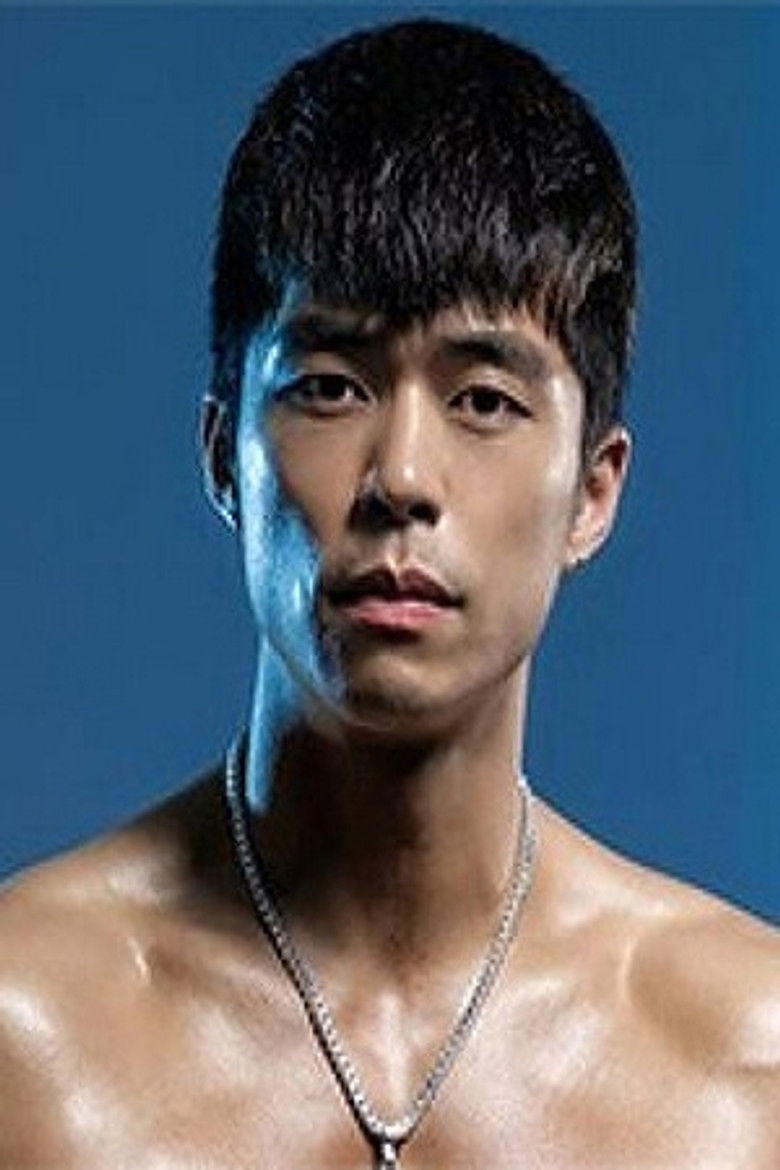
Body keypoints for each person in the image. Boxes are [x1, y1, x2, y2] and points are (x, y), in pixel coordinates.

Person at [0, 17, 777, 1170]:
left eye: (484, 401)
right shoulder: (25, 1043)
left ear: (592, 492)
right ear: (224, 457)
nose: (402, 477)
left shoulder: (749, 1077)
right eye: (329, 386)